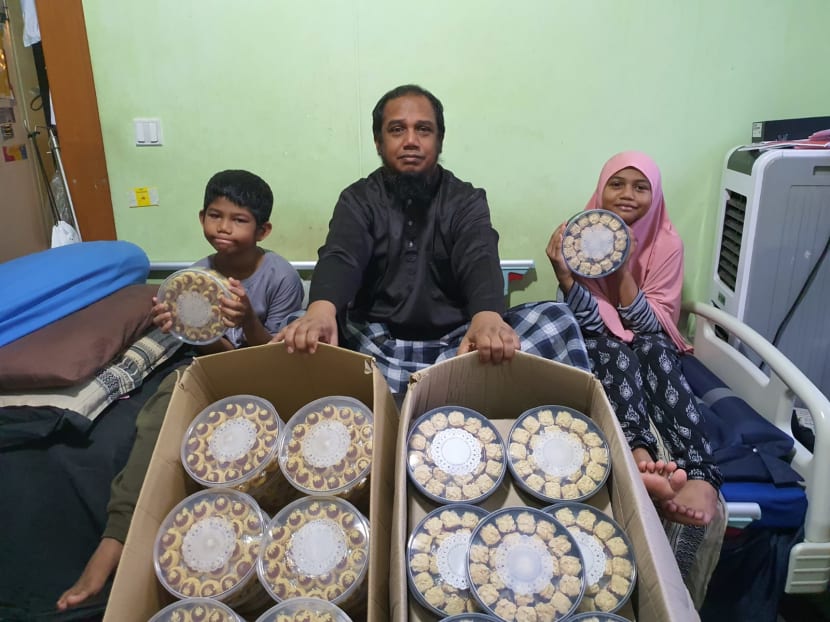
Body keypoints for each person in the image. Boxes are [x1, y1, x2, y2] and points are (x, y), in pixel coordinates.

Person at [57, 169, 304, 611]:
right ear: (201, 217)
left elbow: (272, 358)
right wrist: (186, 327)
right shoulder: (193, 277)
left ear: (262, 230)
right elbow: (213, 357)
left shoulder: (280, 275)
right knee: (154, 420)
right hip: (209, 368)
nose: (223, 228)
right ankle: (114, 542)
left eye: (239, 220)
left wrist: (247, 318)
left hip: (265, 373)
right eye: (214, 216)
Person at [274, 84, 589, 392]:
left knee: (557, 319)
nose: (411, 141)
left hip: (458, 344)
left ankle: (412, 392)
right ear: (378, 142)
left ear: (439, 141)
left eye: (423, 130)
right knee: (299, 326)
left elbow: (478, 255)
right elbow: (342, 254)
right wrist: (321, 311)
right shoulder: (358, 199)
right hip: (373, 344)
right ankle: (443, 392)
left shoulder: (465, 199)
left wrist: (486, 318)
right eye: (397, 130)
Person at [546, 151, 722, 528]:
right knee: (614, 353)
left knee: (657, 351)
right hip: (600, 341)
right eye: (617, 184)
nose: (628, 194)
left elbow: (654, 325)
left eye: (641, 187)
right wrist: (565, 277)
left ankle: (701, 472)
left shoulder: (667, 244)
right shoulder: (581, 237)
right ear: (601, 189)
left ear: (655, 195)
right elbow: (588, 324)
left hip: (648, 337)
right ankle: (638, 452)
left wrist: (623, 271)